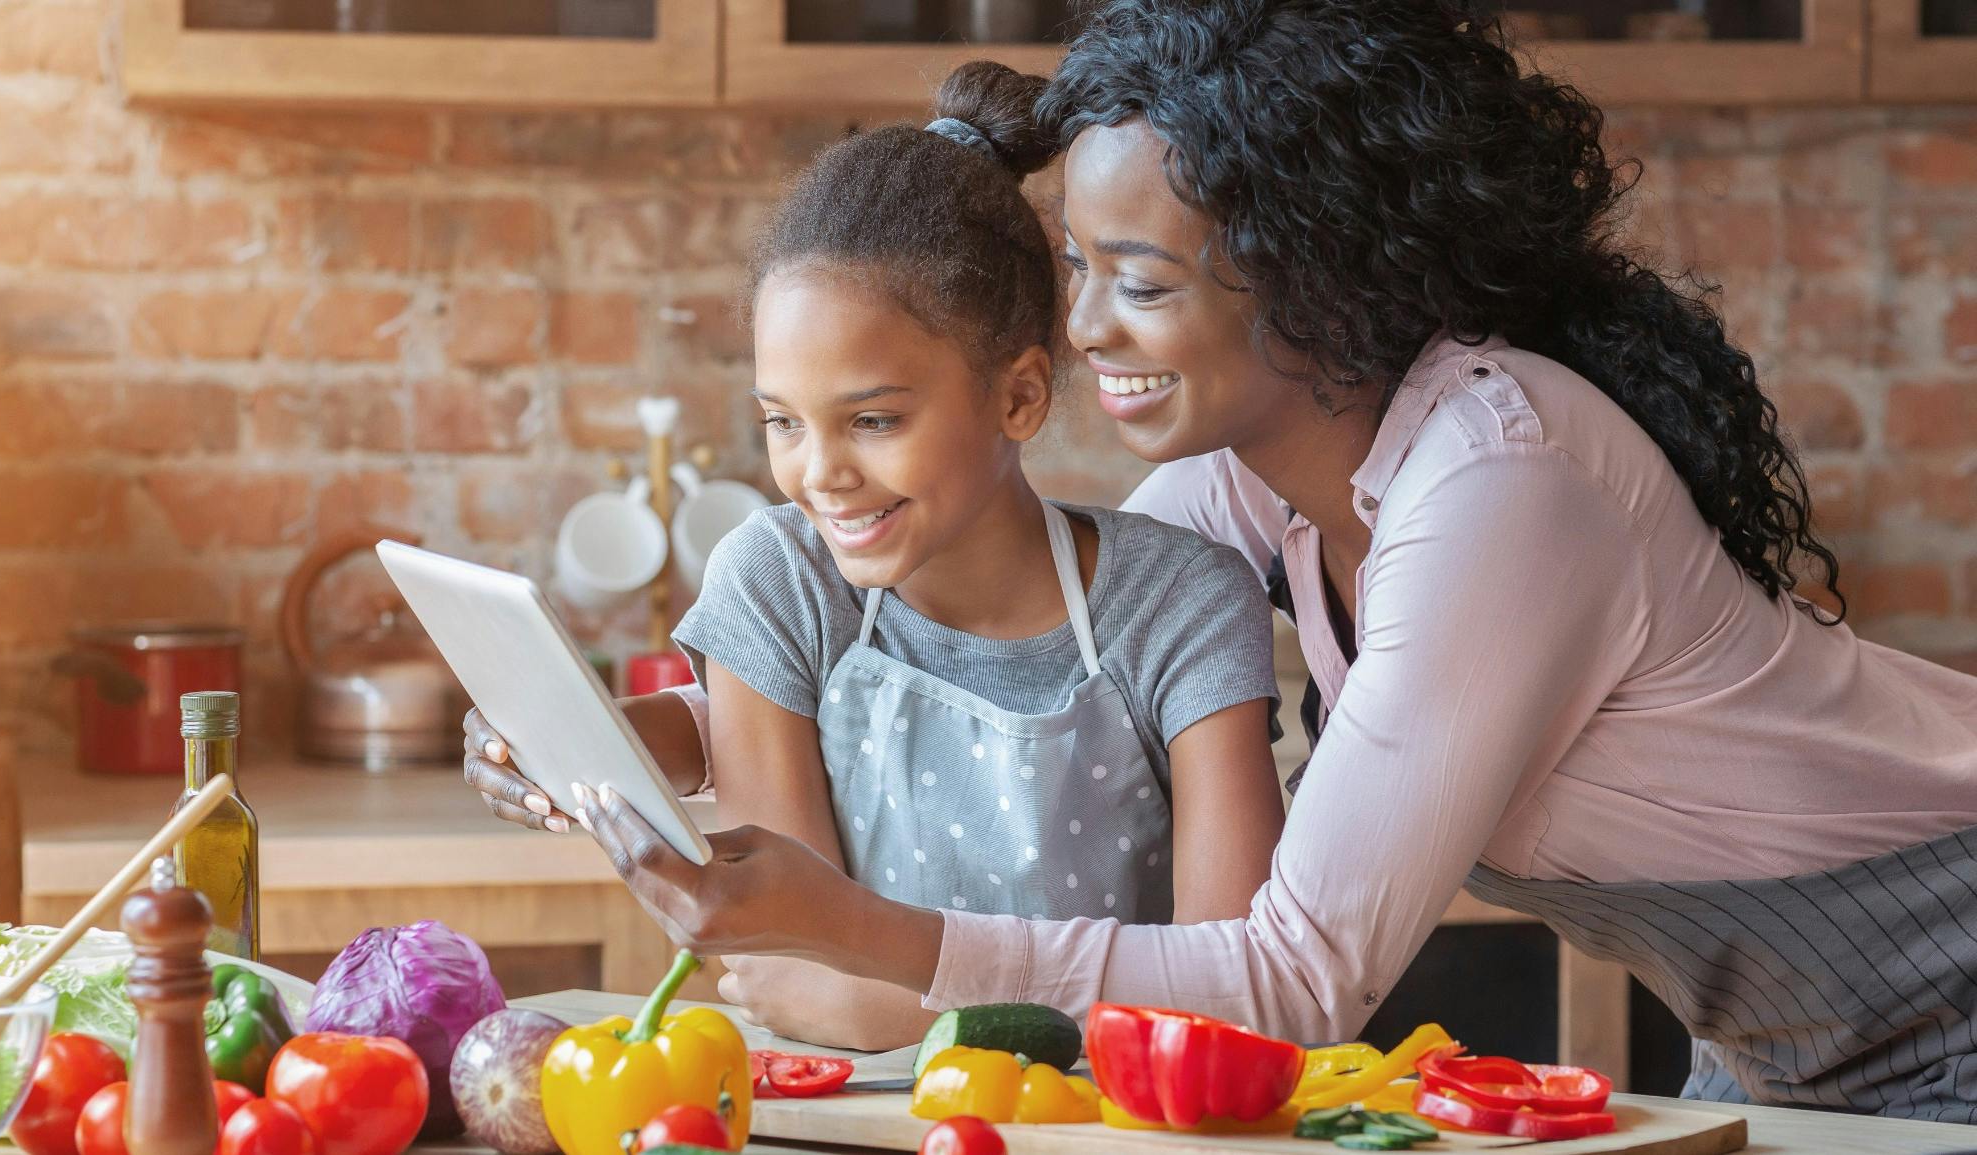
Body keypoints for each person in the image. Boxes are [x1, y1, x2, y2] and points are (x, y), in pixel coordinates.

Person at [489, 0, 1977, 1120]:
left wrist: (865, 932)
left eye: (1139, 281)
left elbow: (1292, 978)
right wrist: (626, 739)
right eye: (1078, 269)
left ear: (1318, 275)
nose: (1080, 332)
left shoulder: (1501, 482)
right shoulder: (1248, 486)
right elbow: (1003, 636)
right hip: (1795, 1035)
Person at [472, 63, 1288, 1051]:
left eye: (873, 419)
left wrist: (868, 999)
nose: (820, 475)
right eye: (781, 423)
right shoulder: (778, 584)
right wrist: (582, 739)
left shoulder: (1186, 606)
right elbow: (788, 975)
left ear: (1020, 398)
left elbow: (1228, 1012)